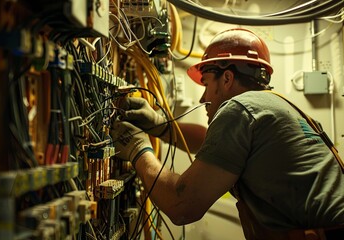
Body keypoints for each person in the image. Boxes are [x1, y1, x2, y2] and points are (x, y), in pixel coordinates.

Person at [110, 28, 344, 239]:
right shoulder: (276, 107)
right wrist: (161, 126)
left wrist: (138, 150)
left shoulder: (240, 109)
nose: (203, 98)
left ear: (228, 78)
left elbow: (181, 206)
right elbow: (213, 144)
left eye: (206, 83)